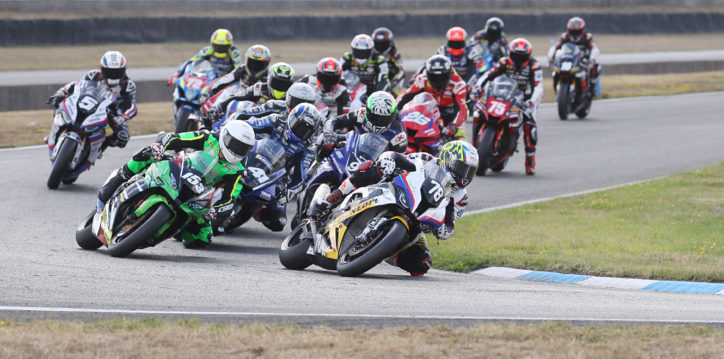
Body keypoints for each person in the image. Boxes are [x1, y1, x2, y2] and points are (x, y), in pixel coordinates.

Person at [309, 140, 478, 276]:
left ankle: (381, 248)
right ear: (448, 160)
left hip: (417, 224)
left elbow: (451, 222)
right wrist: (389, 160)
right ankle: (332, 199)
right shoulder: (428, 161)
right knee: (372, 167)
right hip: (398, 193)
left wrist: (444, 230)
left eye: (470, 172)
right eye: (462, 169)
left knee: (421, 265)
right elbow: (399, 158)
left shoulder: (461, 198)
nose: (465, 177)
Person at [96, 121, 256, 248]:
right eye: (236, 145)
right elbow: (176, 139)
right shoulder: (209, 138)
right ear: (225, 137)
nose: (238, 151)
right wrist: (162, 146)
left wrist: (215, 211)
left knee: (203, 240)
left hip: (197, 196)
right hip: (178, 169)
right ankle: (114, 184)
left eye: (243, 148)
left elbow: (230, 199)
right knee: (149, 153)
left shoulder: (237, 170)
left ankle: (169, 229)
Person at [243, 103, 322, 231]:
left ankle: (257, 210)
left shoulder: (308, 147)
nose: (300, 131)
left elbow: (301, 176)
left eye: (305, 130)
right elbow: (249, 126)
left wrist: (287, 192)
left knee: (278, 222)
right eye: (298, 125)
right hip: (252, 157)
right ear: (291, 117)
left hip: (276, 177)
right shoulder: (276, 120)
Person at [474, 38, 543, 175]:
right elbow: (488, 75)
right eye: (516, 56)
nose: (518, 59)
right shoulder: (504, 62)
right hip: (504, 94)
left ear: (528, 56)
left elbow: (538, 87)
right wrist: (478, 86)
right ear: (510, 54)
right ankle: (474, 145)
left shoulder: (534, 66)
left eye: (522, 56)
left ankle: (530, 161)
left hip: (525, 99)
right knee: (478, 112)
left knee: (530, 126)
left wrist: (531, 102)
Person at [47, 51, 136, 149]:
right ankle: (55, 131)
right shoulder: (93, 75)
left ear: (124, 70)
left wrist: (122, 117)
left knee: (123, 138)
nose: (113, 75)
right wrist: (62, 92)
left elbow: (132, 106)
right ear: (102, 69)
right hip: (90, 103)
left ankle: (99, 148)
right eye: (109, 71)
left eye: (117, 72)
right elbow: (76, 85)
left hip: (114, 113)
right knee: (59, 103)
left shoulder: (128, 85)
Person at [317, 91, 407, 160]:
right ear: (367, 111)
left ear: (393, 115)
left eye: (384, 118)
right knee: (323, 139)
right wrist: (329, 134)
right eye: (375, 117)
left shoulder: (399, 136)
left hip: (375, 165)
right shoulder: (361, 113)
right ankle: (315, 169)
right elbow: (333, 120)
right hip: (352, 147)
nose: (379, 122)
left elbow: (399, 163)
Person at [397, 55, 468, 140]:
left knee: (461, 138)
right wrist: (394, 112)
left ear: (450, 74)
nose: (438, 80)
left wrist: (454, 126)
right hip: (428, 113)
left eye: (442, 76)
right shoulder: (422, 80)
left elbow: (462, 109)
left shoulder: (458, 84)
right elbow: (405, 97)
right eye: (434, 77)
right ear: (427, 74)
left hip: (450, 115)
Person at [203, 62, 295, 120]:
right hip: (251, 121)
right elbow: (238, 97)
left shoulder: (293, 97)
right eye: (276, 83)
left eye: (284, 84)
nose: (279, 87)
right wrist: (219, 107)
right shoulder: (260, 88)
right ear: (269, 79)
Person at [210, 82, 317, 125]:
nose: (302, 108)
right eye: (297, 102)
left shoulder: (315, 119)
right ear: (288, 100)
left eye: (307, 104)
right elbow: (249, 113)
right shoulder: (274, 105)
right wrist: (232, 121)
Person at [548, 16, 601, 93]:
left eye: (577, 31)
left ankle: (592, 85)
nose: (575, 34)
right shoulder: (565, 36)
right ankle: (558, 86)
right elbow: (556, 47)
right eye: (572, 31)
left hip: (584, 59)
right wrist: (551, 58)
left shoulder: (587, 37)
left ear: (582, 30)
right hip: (569, 57)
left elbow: (594, 49)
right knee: (557, 69)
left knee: (596, 66)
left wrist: (591, 59)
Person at [168, 29, 242, 83]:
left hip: (228, 81)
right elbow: (191, 61)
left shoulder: (234, 53)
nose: (220, 49)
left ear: (230, 45)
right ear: (212, 44)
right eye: (217, 46)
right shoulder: (208, 50)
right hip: (210, 80)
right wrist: (177, 74)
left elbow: (239, 69)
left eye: (223, 47)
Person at [207, 44, 272, 95]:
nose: (255, 66)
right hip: (235, 99)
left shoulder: (269, 77)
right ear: (247, 61)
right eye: (252, 63)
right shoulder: (240, 70)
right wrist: (210, 92)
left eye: (259, 64)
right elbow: (223, 80)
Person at [341, 34, 390, 99]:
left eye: (364, 52)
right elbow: (338, 73)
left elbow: (384, 79)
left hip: (371, 94)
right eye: (358, 51)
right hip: (350, 92)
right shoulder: (347, 57)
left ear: (371, 50)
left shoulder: (379, 59)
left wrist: (377, 96)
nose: (361, 54)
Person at [371, 27, 405, 95]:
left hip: (391, 77)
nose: (380, 46)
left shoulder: (395, 54)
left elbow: (401, 71)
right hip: (374, 75)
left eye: (383, 44)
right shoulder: (370, 52)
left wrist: (393, 83)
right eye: (378, 43)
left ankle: (395, 97)